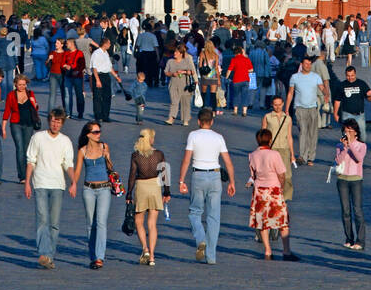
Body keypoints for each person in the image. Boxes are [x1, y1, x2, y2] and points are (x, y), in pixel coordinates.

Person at [178, 107, 236, 265]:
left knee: (195, 212)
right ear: (212, 121)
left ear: (198, 121)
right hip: (215, 176)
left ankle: (200, 239)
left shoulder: (193, 136)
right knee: (214, 217)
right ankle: (211, 256)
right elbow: (228, 162)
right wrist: (232, 181)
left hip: (198, 175)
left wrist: (181, 180)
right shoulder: (219, 137)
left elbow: (186, 159)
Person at [25, 108, 76, 269]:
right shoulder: (38, 137)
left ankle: (49, 256)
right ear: (49, 121)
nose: (55, 124)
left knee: (54, 223)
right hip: (40, 182)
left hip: (58, 184)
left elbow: (68, 164)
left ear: (62, 124)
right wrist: (27, 182)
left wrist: (73, 182)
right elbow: (30, 160)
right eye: (53, 121)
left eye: (58, 122)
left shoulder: (65, 141)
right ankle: (43, 252)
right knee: (42, 219)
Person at [248, 127, 296, 260]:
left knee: (263, 222)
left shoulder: (252, 155)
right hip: (273, 189)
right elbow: (281, 174)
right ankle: (286, 251)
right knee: (282, 221)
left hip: (259, 191)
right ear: (269, 140)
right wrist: (280, 186)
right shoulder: (274, 154)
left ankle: (267, 250)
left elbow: (253, 175)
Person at [71, 121, 113, 269]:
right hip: (88, 189)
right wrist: (74, 184)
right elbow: (78, 170)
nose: (99, 134)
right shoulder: (82, 151)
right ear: (88, 134)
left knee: (101, 222)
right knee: (90, 224)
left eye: (99, 131)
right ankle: (93, 256)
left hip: (104, 189)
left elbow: (111, 168)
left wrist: (107, 157)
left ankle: (100, 257)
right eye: (95, 132)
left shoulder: (104, 146)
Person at [127, 127, 166, 266]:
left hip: (141, 186)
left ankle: (145, 248)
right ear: (150, 139)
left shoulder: (136, 155)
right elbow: (164, 174)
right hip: (155, 186)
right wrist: (167, 192)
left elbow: (132, 175)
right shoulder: (159, 154)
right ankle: (152, 257)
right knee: (152, 224)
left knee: (139, 221)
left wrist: (129, 193)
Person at [285, 57, 327, 166]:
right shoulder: (295, 77)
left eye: (309, 64)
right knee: (303, 131)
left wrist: (326, 95)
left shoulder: (315, 77)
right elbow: (290, 93)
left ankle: (311, 157)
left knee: (313, 133)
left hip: (312, 108)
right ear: (302, 65)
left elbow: (322, 88)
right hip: (299, 108)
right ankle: (302, 156)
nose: (308, 66)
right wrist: (286, 109)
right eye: (306, 64)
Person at [334, 119, 367, 250]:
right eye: (345, 131)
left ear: (355, 132)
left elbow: (359, 159)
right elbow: (338, 160)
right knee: (345, 211)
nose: (347, 133)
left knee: (357, 210)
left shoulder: (361, 145)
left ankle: (360, 240)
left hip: (356, 179)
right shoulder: (339, 145)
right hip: (342, 179)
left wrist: (351, 145)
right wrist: (344, 148)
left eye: (349, 131)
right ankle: (349, 238)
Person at [2, 72, 41, 182]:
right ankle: (22, 176)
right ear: (15, 84)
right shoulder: (11, 95)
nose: (22, 87)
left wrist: (35, 103)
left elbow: (35, 108)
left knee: (27, 149)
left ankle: (28, 173)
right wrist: (3, 128)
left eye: (24, 84)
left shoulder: (30, 93)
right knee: (19, 148)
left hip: (29, 124)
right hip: (16, 124)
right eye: (20, 85)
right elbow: (7, 112)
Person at [262, 95, 296, 203]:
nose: (277, 107)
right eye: (275, 105)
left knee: (286, 175)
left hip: (284, 149)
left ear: (282, 104)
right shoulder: (267, 117)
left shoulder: (288, 118)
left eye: (279, 105)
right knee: (271, 174)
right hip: (272, 149)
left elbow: (289, 136)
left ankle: (284, 198)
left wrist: (292, 154)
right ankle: (271, 197)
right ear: (272, 105)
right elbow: (263, 135)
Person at [332, 64, 371, 138]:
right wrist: (335, 114)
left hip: (360, 115)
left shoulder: (361, 84)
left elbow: (369, 100)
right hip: (347, 114)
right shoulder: (342, 85)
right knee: (347, 137)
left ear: (355, 74)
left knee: (362, 136)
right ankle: (348, 149)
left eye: (352, 75)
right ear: (345, 75)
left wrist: (369, 95)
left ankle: (360, 149)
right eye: (348, 76)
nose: (350, 78)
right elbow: (337, 101)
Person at [90, 37, 122, 122]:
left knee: (107, 96)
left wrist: (116, 76)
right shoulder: (96, 53)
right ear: (105, 44)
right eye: (109, 43)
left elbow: (109, 67)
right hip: (98, 76)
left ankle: (105, 116)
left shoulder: (106, 53)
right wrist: (97, 80)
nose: (110, 45)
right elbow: (94, 68)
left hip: (106, 76)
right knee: (97, 97)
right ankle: (98, 115)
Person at [165, 44, 195, 126]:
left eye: (177, 52)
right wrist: (172, 74)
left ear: (181, 54)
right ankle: (171, 118)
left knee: (186, 103)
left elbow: (192, 72)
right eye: (175, 52)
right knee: (174, 102)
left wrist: (184, 72)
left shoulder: (186, 61)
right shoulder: (170, 61)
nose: (174, 53)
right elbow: (166, 72)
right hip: (173, 84)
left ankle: (186, 120)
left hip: (185, 85)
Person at [225, 42, 253, 116]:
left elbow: (229, 70)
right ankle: (244, 111)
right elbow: (251, 70)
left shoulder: (234, 59)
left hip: (236, 80)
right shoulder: (247, 59)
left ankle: (235, 110)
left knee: (236, 95)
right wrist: (244, 70)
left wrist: (226, 77)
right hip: (245, 79)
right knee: (245, 95)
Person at [61, 39, 85, 119]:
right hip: (68, 76)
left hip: (77, 76)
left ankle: (80, 112)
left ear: (72, 44)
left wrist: (77, 71)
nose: (66, 45)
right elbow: (62, 63)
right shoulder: (66, 53)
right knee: (67, 95)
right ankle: (68, 113)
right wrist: (65, 66)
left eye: (67, 43)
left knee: (79, 95)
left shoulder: (79, 53)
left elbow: (82, 64)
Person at [196, 39, 222, 114]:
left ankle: (203, 107)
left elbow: (200, 65)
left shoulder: (202, 54)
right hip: (213, 76)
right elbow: (216, 67)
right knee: (213, 93)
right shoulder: (215, 55)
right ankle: (213, 110)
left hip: (205, 75)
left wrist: (200, 74)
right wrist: (219, 79)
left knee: (203, 92)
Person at [133, 20, 160, 89]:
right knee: (151, 69)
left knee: (141, 68)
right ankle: (150, 82)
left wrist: (135, 52)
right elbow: (156, 47)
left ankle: (141, 80)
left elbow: (137, 46)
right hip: (151, 53)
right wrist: (158, 56)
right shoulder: (153, 36)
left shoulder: (141, 35)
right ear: (151, 29)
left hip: (142, 53)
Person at [47, 36, 67, 114]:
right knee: (52, 94)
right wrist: (49, 59)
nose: (56, 44)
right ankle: (50, 111)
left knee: (63, 93)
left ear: (62, 45)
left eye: (58, 43)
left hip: (62, 75)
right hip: (53, 74)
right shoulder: (52, 52)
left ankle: (65, 110)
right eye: (56, 43)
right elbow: (47, 64)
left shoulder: (65, 53)